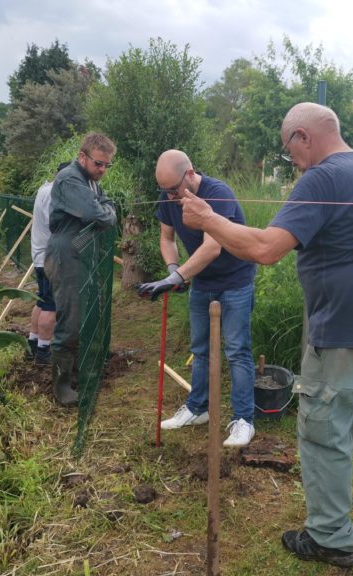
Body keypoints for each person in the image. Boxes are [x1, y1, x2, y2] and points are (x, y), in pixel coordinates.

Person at [179, 102, 353, 567]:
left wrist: (208, 220)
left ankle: (331, 536)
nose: (293, 161)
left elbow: (266, 249)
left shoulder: (322, 179)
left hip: (343, 333)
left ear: (303, 137)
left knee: (323, 432)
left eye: (291, 150)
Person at [137, 150, 257, 447]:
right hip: (202, 281)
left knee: (237, 350)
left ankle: (244, 421)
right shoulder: (169, 199)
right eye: (164, 191)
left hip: (235, 280)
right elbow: (167, 238)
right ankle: (197, 408)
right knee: (200, 349)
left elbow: (212, 248)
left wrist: (176, 279)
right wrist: (172, 268)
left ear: (189, 174)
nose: (170, 197)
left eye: (174, 190)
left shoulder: (218, 194)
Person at [44, 133, 117, 406]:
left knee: (83, 316)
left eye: (107, 165)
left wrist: (106, 212)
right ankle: (61, 387)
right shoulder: (70, 178)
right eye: (99, 163)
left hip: (81, 252)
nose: (102, 170)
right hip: (65, 254)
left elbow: (108, 206)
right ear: (82, 156)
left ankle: (75, 376)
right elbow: (97, 215)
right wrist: (106, 214)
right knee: (71, 320)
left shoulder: (91, 181)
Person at [28, 161, 71, 365]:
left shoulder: (44, 188)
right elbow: (58, 228)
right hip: (51, 258)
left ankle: (34, 342)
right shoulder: (55, 195)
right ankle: (44, 352)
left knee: (42, 301)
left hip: (39, 255)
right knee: (51, 306)